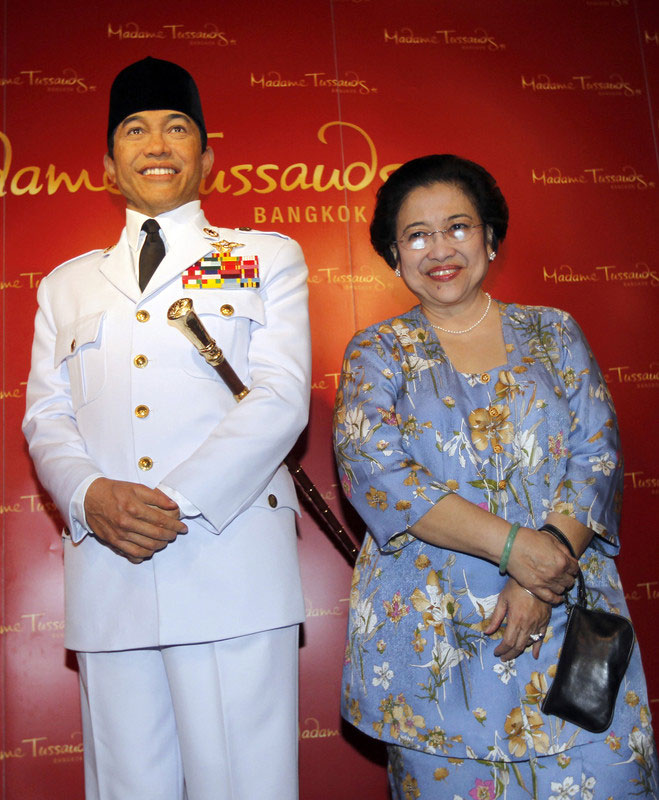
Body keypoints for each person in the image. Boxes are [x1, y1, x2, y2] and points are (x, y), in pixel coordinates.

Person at [22, 56, 310, 800]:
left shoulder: (253, 258)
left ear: (206, 157)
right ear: (109, 164)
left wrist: (166, 503)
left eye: (176, 128)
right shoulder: (67, 284)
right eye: (135, 130)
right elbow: (46, 415)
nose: (156, 144)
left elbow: (279, 397)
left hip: (228, 562)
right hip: (110, 570)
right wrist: (89, 497)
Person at [333, 154, 658, 799]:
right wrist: (514, 547)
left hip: (569, 623)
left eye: (457, 226)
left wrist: (545, 567)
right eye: (416, 235)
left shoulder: (555, 334)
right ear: (394, 254)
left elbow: (596, 455)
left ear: (490, 235)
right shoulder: (377, 353)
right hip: (436, 636)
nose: (439, 249)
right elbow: (376, 473)